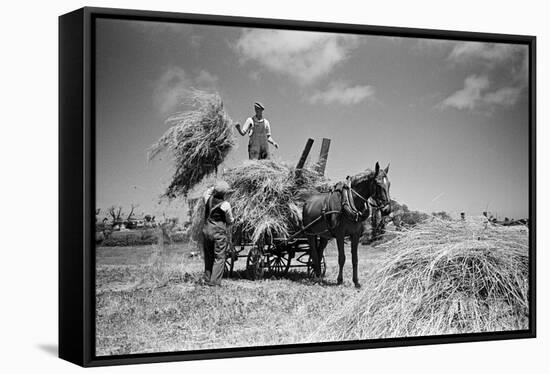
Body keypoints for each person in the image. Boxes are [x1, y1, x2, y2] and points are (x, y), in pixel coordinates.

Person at [202, 181, 234, 286]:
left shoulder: (207, 199)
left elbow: (207, 191)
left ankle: (207, 279)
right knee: (219, 257)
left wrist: (214, 188)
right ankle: (214, 283)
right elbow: (230, 221)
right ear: (225, 193)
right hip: (218, 233)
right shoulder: (225, 205)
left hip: (206, 231)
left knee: (208, 256)